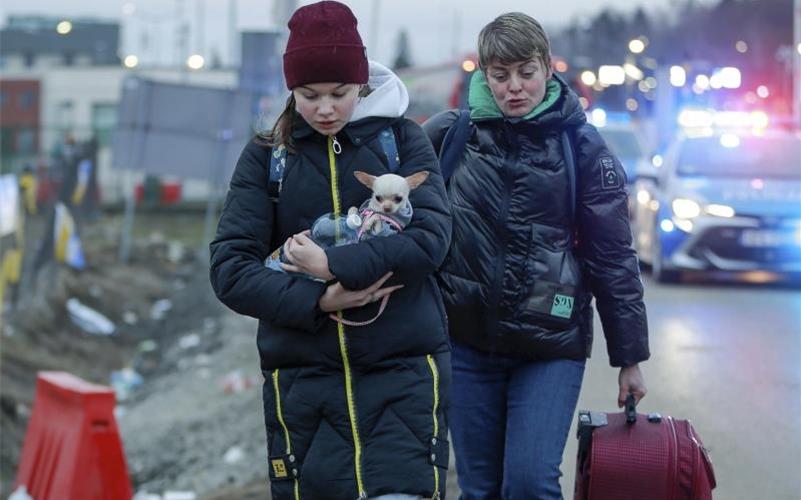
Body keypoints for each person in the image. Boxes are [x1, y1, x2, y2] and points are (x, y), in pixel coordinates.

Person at [209, 2, 452, 499]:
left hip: (401, 383)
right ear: (290, 90)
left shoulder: (402, 143)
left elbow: (431, 239)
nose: (324, 109)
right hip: (305, 395)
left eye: (339, 94)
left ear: (361, 84)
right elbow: (229, 269)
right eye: (308, 95)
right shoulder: (266, 158)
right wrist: (319, 301)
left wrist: (333, 266)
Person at [423, 12, 649, 500]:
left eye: (526, 72)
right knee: (479, 488)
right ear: (483, 75)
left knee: (528, 483)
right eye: (500, 76)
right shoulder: (451, 137)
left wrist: (628, 357)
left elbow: (613, 257)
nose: (514, 88)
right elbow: (408, 226)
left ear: (547, 67)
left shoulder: (582, 147)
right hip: (466, 345)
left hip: (550, 347)